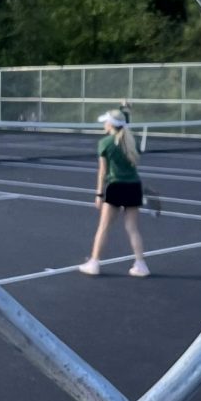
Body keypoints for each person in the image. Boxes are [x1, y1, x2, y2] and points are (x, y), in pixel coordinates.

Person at [79, 109, 150, 277]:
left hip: (115, 187)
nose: (104, 124)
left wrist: (99, 194)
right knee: (132, 228)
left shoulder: (105, 143)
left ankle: (94, 263)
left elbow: (102, 172)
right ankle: (141, 265)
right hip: (134, 186)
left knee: (103, 227)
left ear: (111, 125)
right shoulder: (132, 141)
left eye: (106, 121)